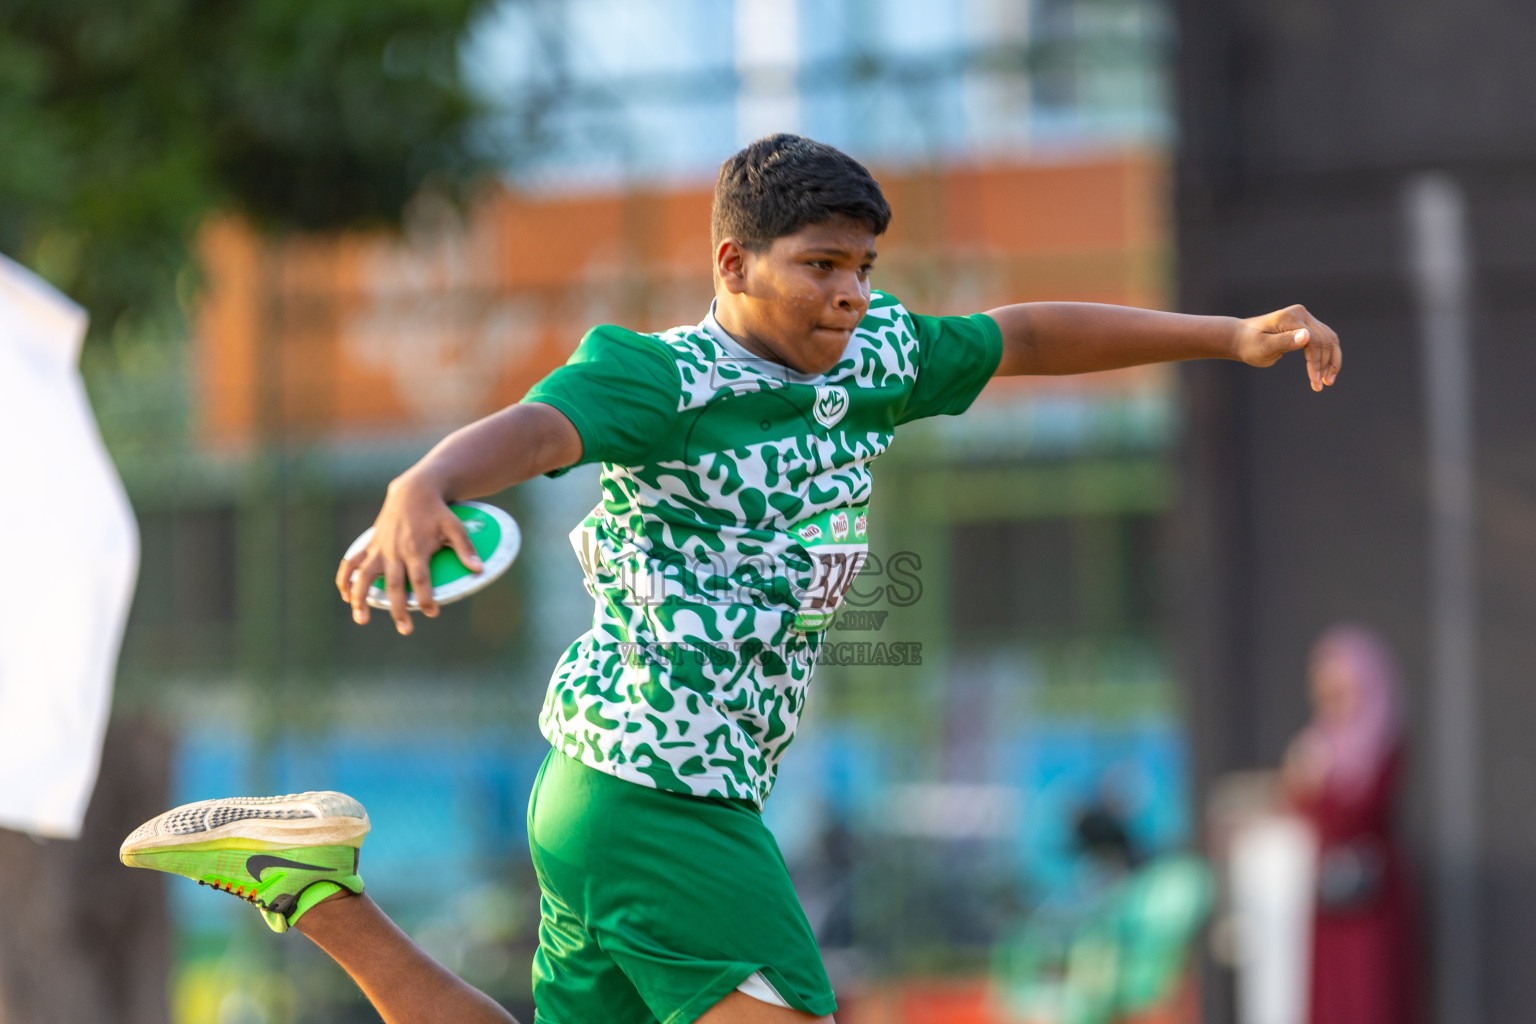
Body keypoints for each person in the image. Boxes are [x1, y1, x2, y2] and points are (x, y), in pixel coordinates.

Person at [120, 134, 1342, 1024]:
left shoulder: (876, 356)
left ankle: (313, 889)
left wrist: (1227, 336)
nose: (851, 291)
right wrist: (426, 481)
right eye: (819, 265)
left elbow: (1021, 337)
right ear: (733, 262)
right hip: (661, 792)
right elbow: (540, 430)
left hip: (610, 797)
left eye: (863, 264)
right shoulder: (667, 379)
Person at [1281, 625, 1418, 1024]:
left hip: (1370, 896)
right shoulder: (1317, 744)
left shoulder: (1383, 742)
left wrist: (1316, 785)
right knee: (1332, 998)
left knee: (1370, 997)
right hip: (1330, 897)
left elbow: (1361, 811)